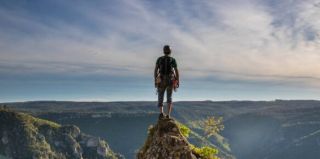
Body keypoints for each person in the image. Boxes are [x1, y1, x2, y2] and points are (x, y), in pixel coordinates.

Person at [154, 45, 179, 119]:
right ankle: (168, 115)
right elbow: (176, 70)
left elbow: (156, 70)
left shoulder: (159, 59)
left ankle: (161, 113)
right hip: (170, 80)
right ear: (170, 51)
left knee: (160, 95)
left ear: (163, 51)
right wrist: (177, 80)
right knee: (169, 97)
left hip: (161, 79)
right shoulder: (173, 60)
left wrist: (155, 80)